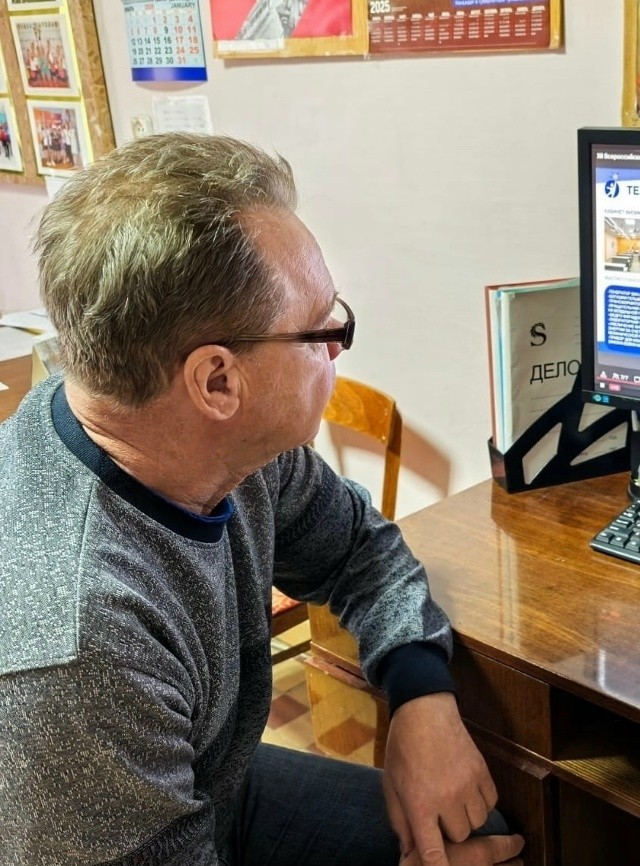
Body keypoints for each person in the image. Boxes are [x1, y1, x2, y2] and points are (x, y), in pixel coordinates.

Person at [0, 133, 525, 866]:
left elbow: (360, 551)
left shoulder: (219, 446)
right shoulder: (78, 649)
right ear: (217, 382)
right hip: (136, 818)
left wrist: (421, 697)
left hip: (209, 781)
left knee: (478, 830)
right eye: (320, 327)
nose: (338, 345)